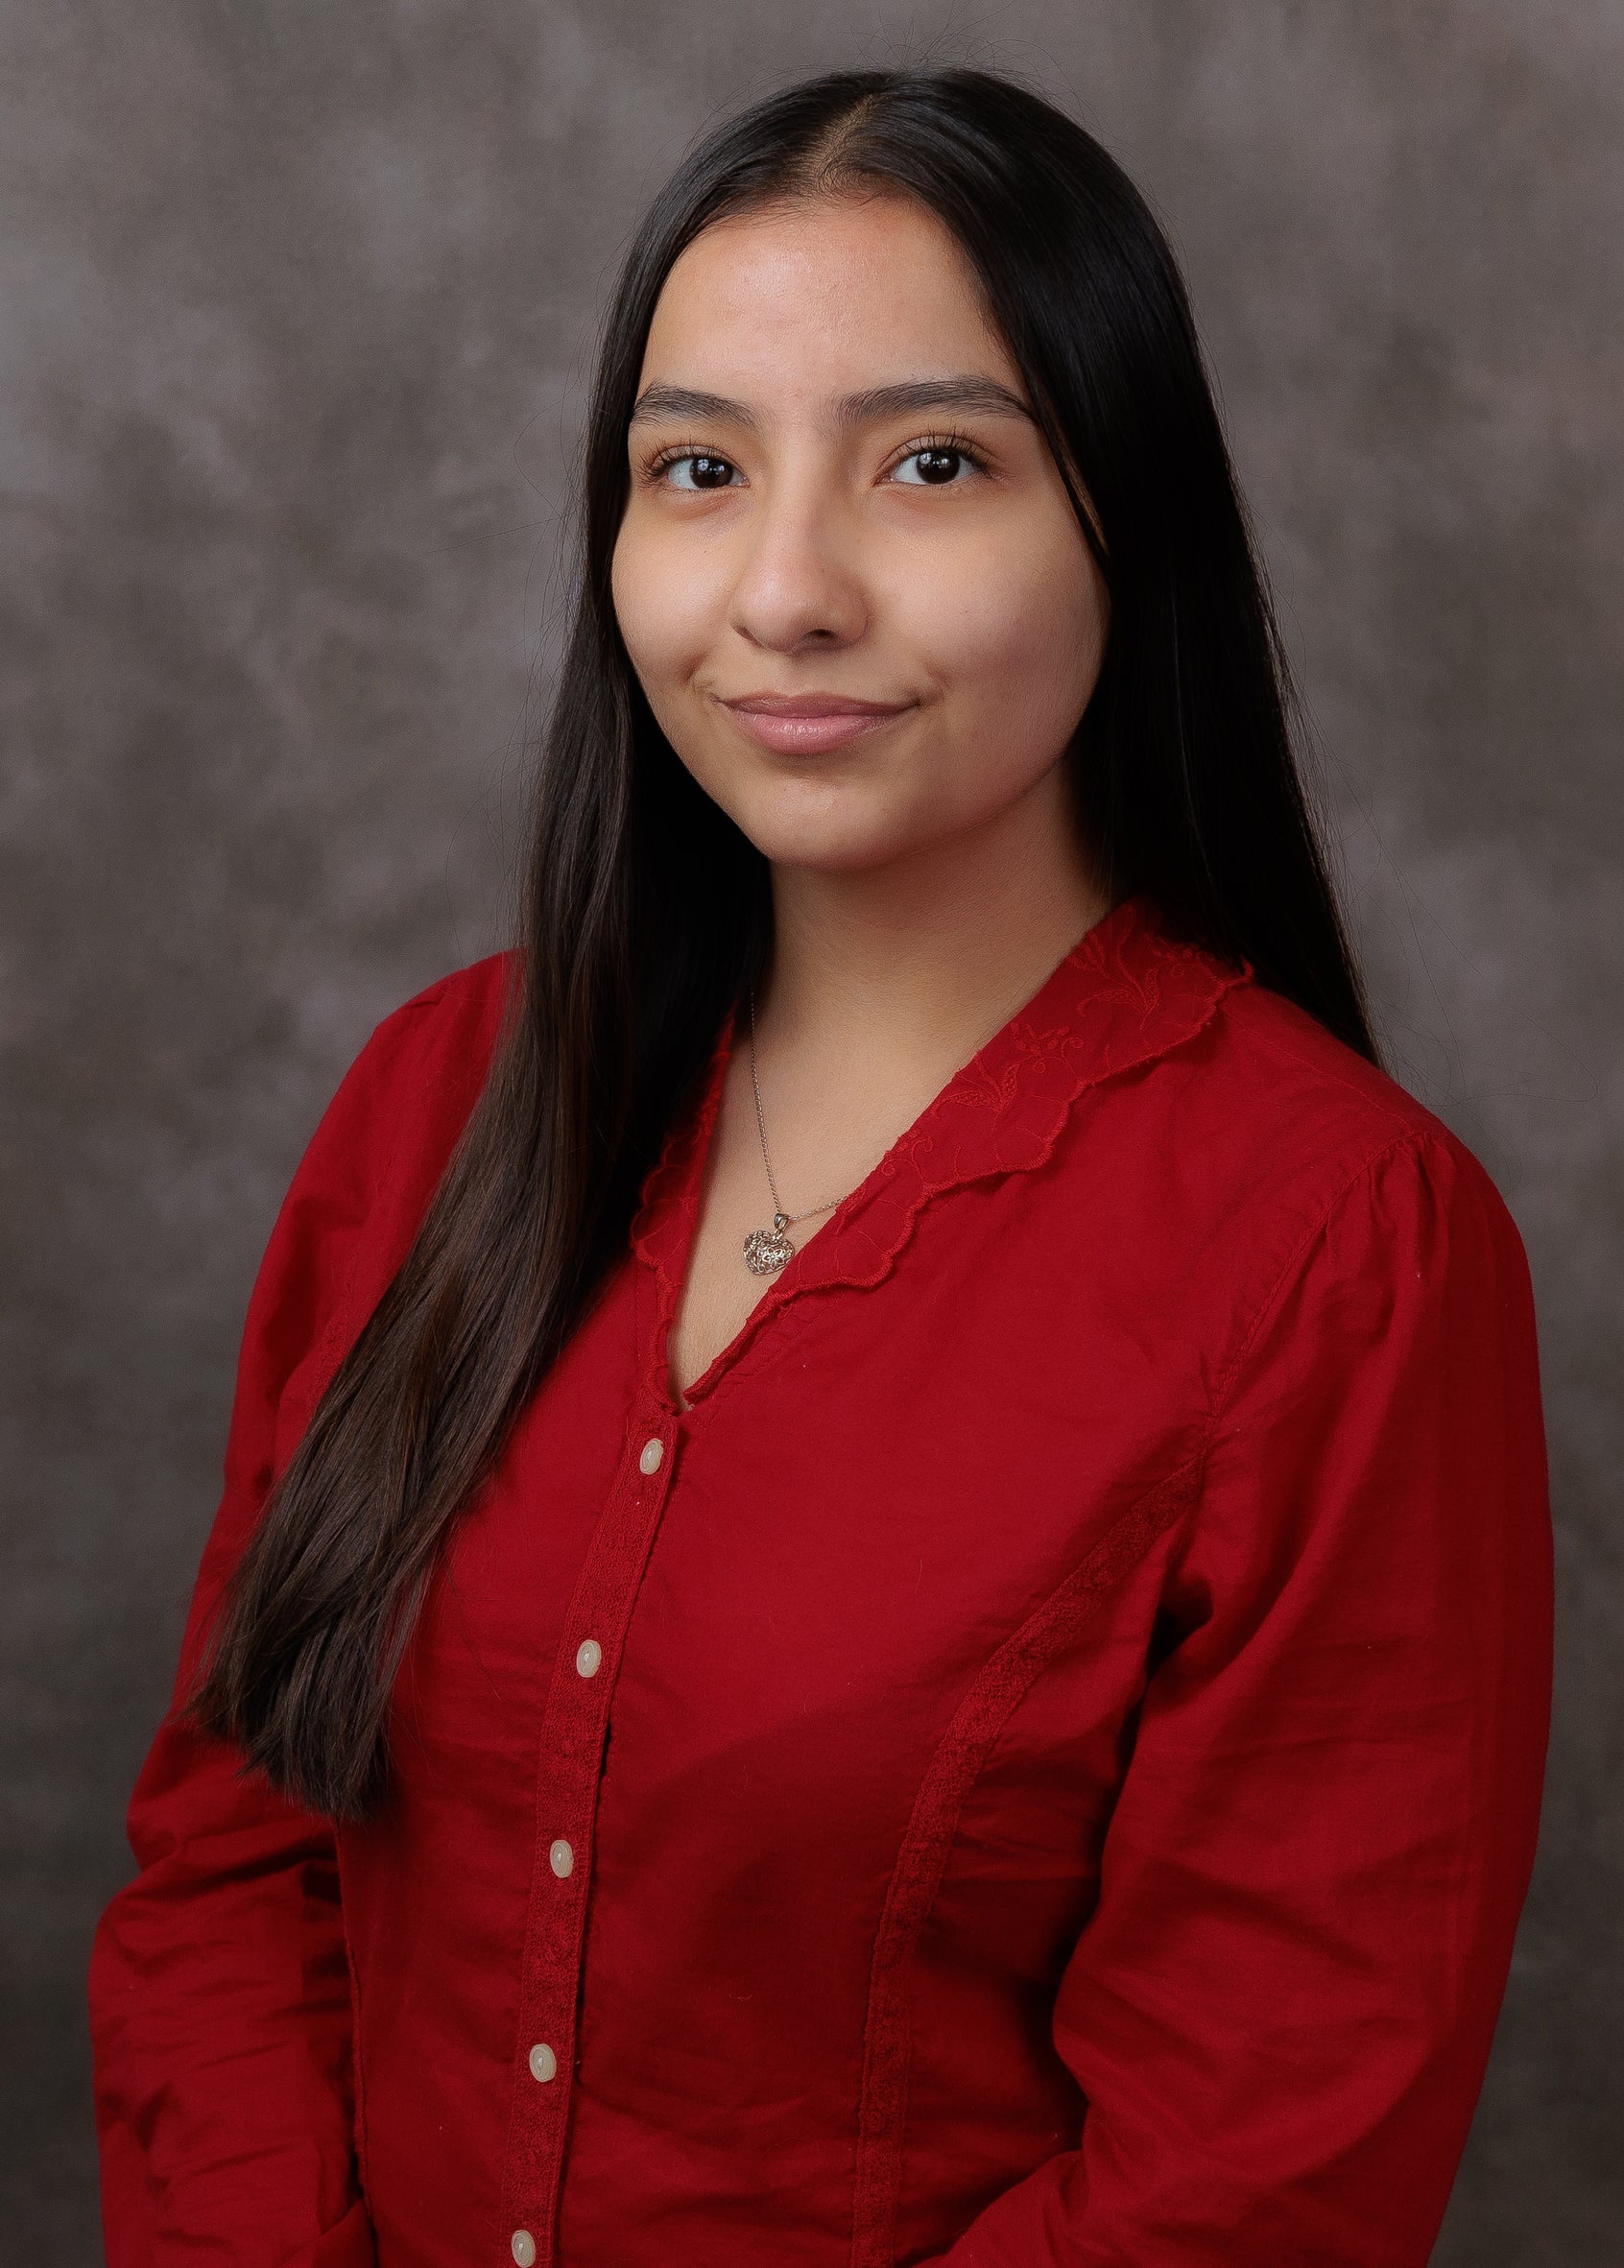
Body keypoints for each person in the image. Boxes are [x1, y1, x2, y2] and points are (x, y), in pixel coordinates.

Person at [87, 63, 1552, 2268]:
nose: (784, 591)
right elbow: (236, 1854)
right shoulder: (436, 1098)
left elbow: (1254, 2168)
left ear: (1128, 521)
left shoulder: (1338, 1249)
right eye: (698, 469)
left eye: (932, 463)